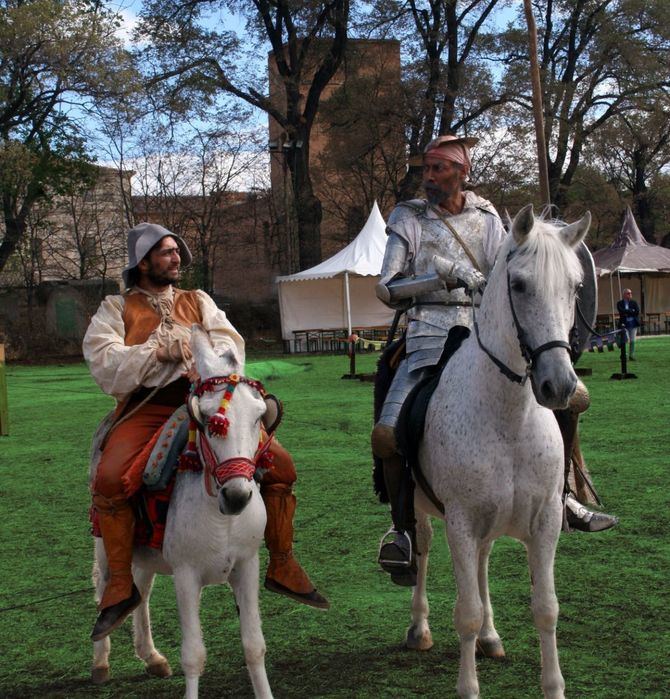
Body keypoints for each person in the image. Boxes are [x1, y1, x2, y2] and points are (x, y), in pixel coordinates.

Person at [371, 135, 617, 586]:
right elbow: (387, 288)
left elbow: (510, 270)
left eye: (438, 169)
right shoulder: (408, 217)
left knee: (571, 398)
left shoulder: (486, 219)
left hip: (486, 331)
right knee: (388, 432)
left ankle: (563, 494)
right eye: (426, 169)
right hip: (427, 333)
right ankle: (403, 530)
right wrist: (444, 273)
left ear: (461, 172)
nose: (428, 177)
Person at [83, 222, 328, 642]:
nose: (176, 257)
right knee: (110, 477)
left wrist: (204, 356)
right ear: (142, 262)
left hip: (208, 400)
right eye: (165, 251)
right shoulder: (115, 308)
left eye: (177, 251)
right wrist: (157, 351)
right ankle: (121, 584)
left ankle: (282, 563)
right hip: (149, 405)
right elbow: (104, 361)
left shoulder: (198, 301)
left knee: (281, 466)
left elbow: (232, 346)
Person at [617, 288, 640, 359]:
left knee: (632, 340)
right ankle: (624, 354)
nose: (630, 294)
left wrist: (627, 311)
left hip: (633, 324)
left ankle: (631, 355)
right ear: (624, 295)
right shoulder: (619, 303)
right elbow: (621, 311)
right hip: (624, 324)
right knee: (624, 340)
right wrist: (631, 311)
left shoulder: (634, 302)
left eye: (630, 293)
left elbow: (637, 312)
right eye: (628, 293)